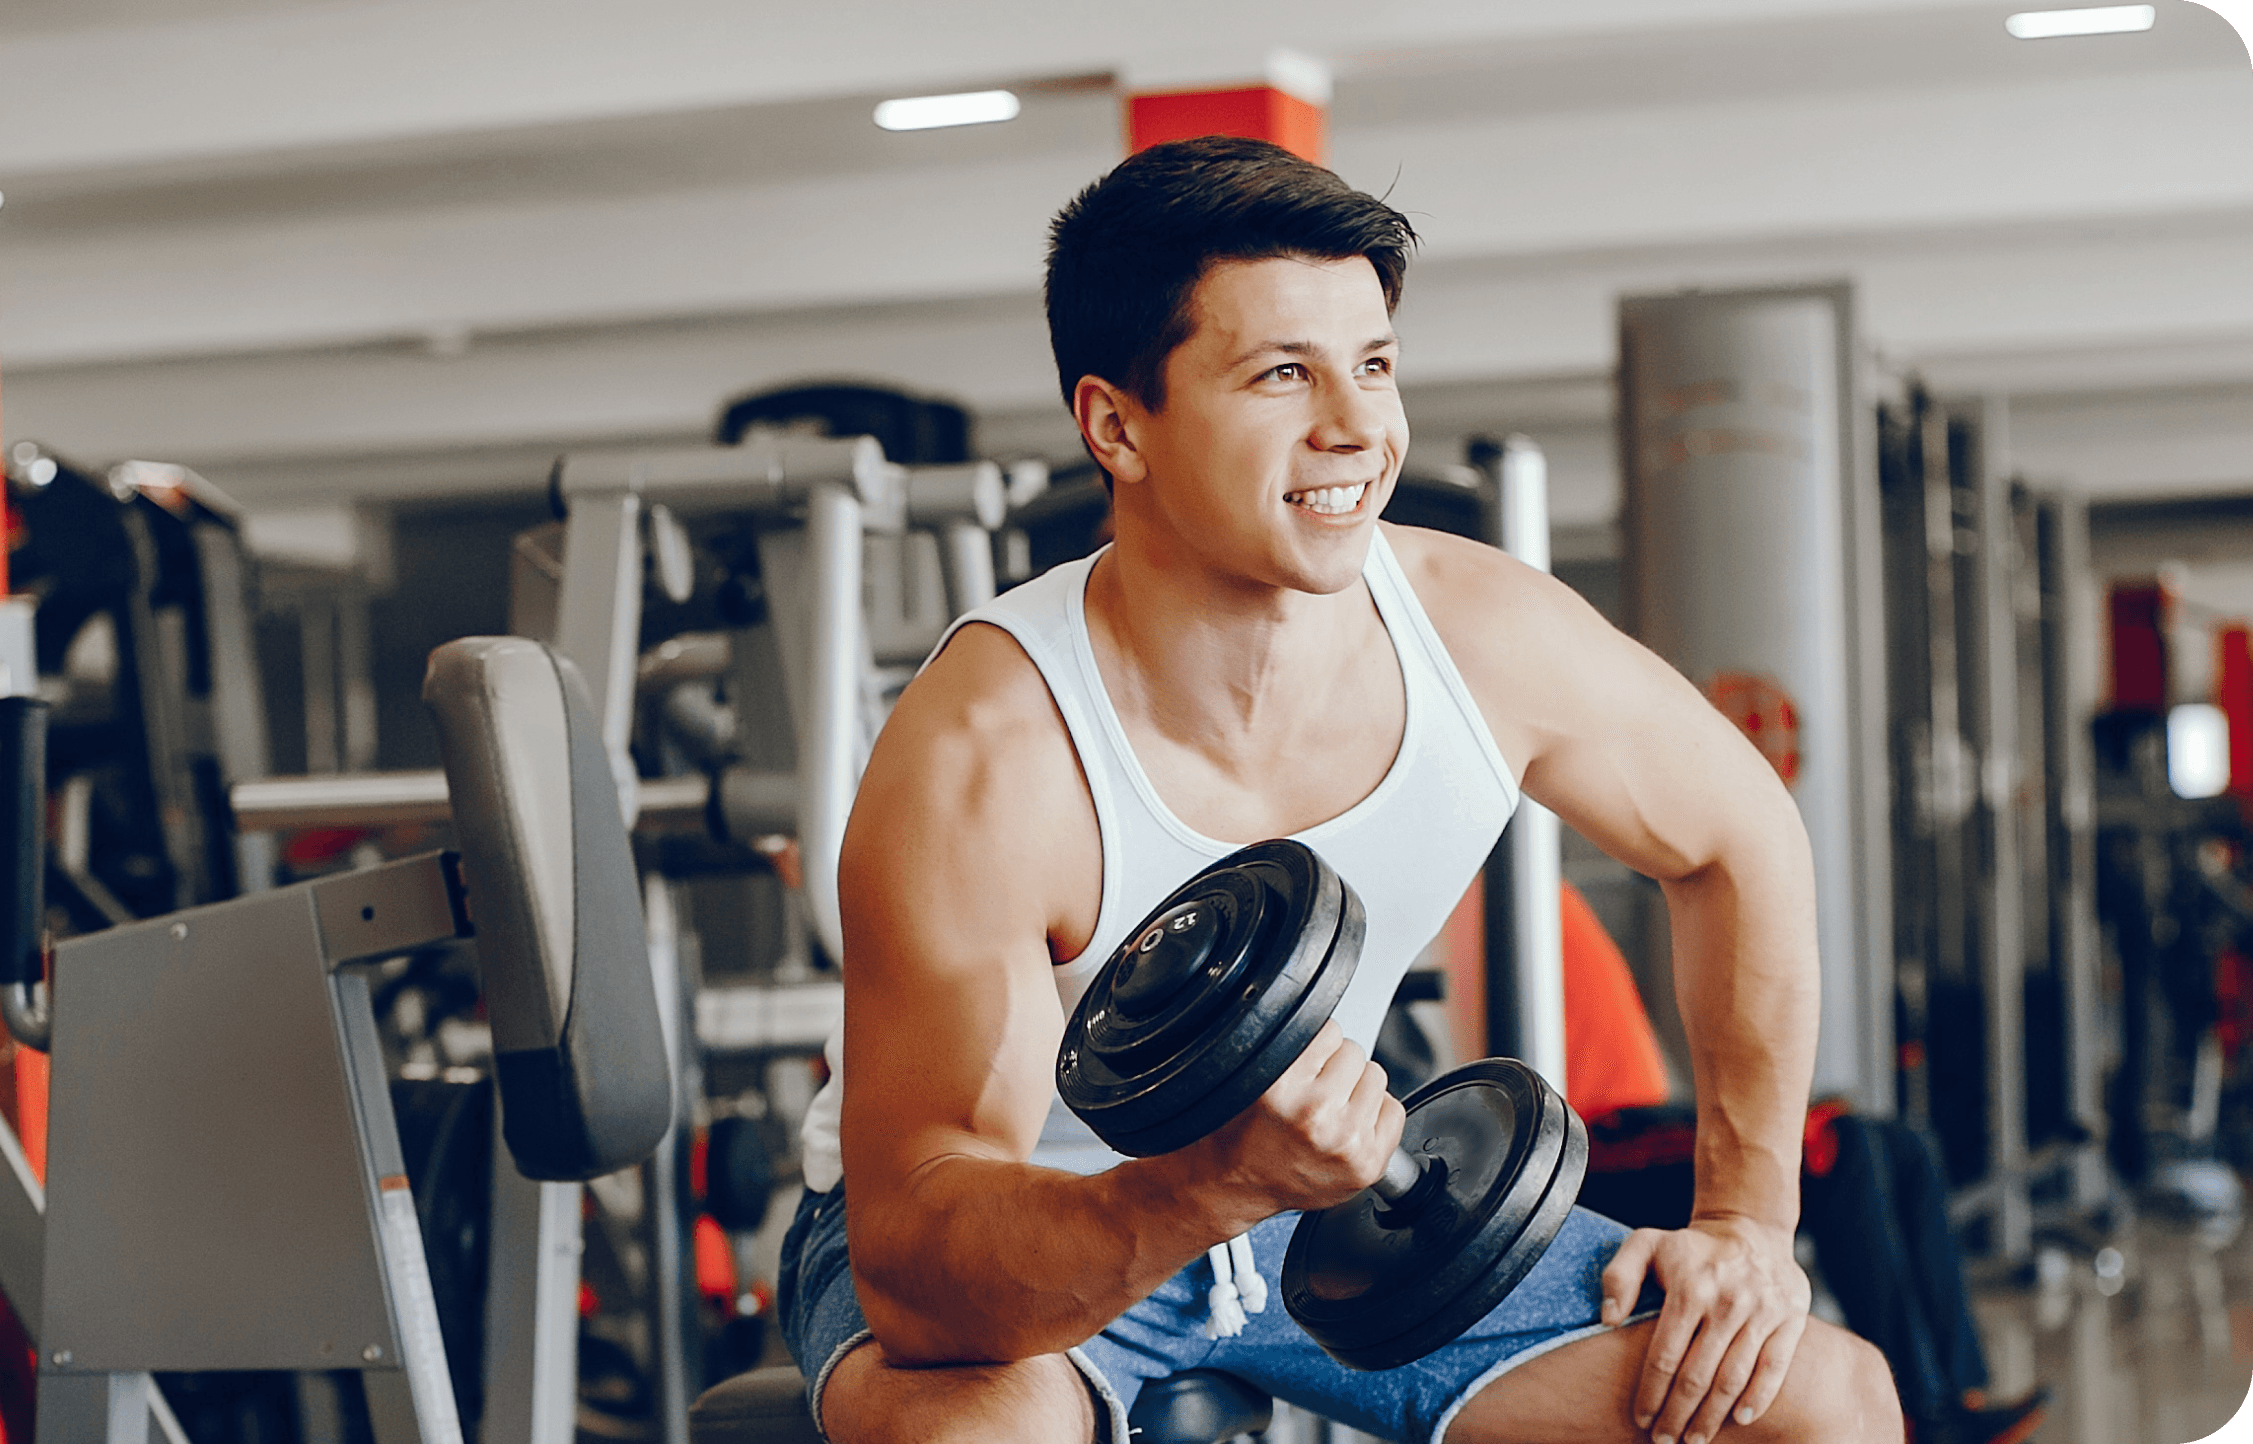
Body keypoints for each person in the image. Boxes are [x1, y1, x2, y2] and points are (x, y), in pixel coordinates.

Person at [776, 134, 1902, 1444]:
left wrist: (1745, 1224)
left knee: (1821, 1398)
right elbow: (919, 1265)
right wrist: (1204, 1192)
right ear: (1116, 427)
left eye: (1373, 364)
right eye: (1281, 375)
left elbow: (1739, 836)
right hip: (1022, 1223)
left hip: (1323, 1197)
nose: (1359, 426)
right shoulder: (988, 756)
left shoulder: (1480, 636)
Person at [1542, 883, 2049, 1444]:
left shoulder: (1544, 887)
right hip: (1594, 1134)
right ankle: (1926, 1417)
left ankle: (1959, 1392)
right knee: (1842, 1146)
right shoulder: (1496, 891)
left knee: (1906, 1146)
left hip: (1643, 1109)